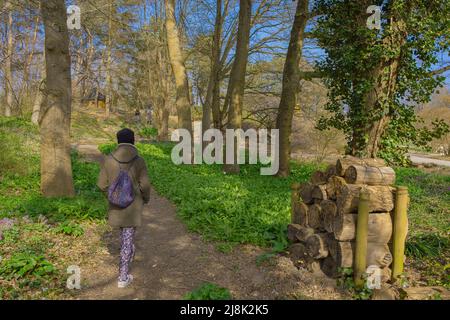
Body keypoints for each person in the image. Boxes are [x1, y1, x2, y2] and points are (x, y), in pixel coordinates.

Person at [97, 128, 151, 288]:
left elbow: (101, 184)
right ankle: (122, 277)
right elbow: (145, 185)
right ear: (133, 141)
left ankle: (128, 250)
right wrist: (145, 199)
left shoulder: (109, 160)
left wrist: (113, 196)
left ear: (118, 141)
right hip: (133, 207)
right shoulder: (139, 161)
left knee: (125, 235)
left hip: (116, 207)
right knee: (127, 238)